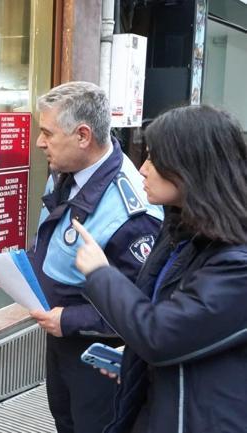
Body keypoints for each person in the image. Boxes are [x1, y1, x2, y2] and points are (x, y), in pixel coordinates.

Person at [73, 105, 247, 433]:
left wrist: (100, 273)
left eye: (154, 158)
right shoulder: (181, 228)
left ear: (190, 166)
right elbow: (183, 326)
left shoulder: (237, 264)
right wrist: (136, 357)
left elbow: (161, 334)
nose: (142, 169)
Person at [28, 81, 163, 433]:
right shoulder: (66, 172)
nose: (40, 142)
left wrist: (70, 320)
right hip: (61, 340)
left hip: (100, 355)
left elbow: (141, 306)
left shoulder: (132, 210)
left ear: (83, 136)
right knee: (66, 422)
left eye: (47, 133)